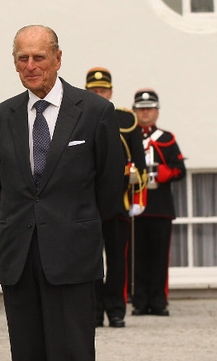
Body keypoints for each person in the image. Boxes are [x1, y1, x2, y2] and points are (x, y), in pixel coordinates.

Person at [0, 26, 124, 361]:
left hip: (72, 259)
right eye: (22, 58)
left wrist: (70, 228)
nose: (31, 66)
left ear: (58, 58)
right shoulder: (0, 118)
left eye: (39, 57)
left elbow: (109, 190)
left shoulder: (95, 111)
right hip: (19, 259)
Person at [85, 68, 148, 328]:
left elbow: (140, 163)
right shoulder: (77, 117)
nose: (99, 94)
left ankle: (116, 310)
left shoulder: (126, 119)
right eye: (94, 91)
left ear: (110, 92)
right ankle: (93, 311)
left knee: (117, 260)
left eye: (103, 90)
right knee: (90, 260)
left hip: (118, 201)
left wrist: (138, 198)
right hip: (88, 201)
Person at [131, 89, 185, 317]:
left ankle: (159, 302)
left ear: (157, 112)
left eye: (150, 108)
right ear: (134, 111)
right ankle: (139, 302)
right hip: (135, 207)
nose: (145, 112)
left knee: (160, 258)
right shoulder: (128, 137)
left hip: (160, 207)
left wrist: (166, 172)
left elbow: (180, 169)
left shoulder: (166, 138)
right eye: (141, 109)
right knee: (137, 258)